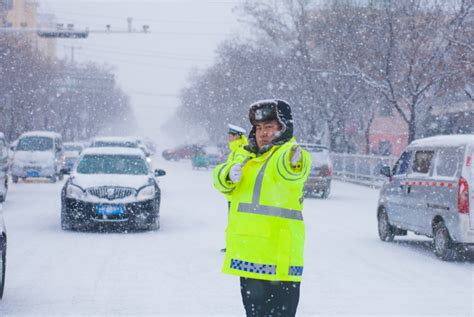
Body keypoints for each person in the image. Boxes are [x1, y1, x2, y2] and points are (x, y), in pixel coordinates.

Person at [213, 99, 311, 316]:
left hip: (280, 260)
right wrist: (227, 174)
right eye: (258, 128)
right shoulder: (248, 155)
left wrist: (295, 162)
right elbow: (221, 183)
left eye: (269, 127)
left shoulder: (287, 153)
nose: (263, 133)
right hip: (251, 259)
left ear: (284, 128)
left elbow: (292, 171)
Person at [220, 124, 249, 252]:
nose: (228, 138)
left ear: (237, 136)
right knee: (233, 221)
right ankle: (232, 245)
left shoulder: (241, 151)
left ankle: (235, 246)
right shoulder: (235, 151)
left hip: (238, 194)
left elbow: (238, 171)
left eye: (230, 135)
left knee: (236, 222)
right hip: (233, 195)